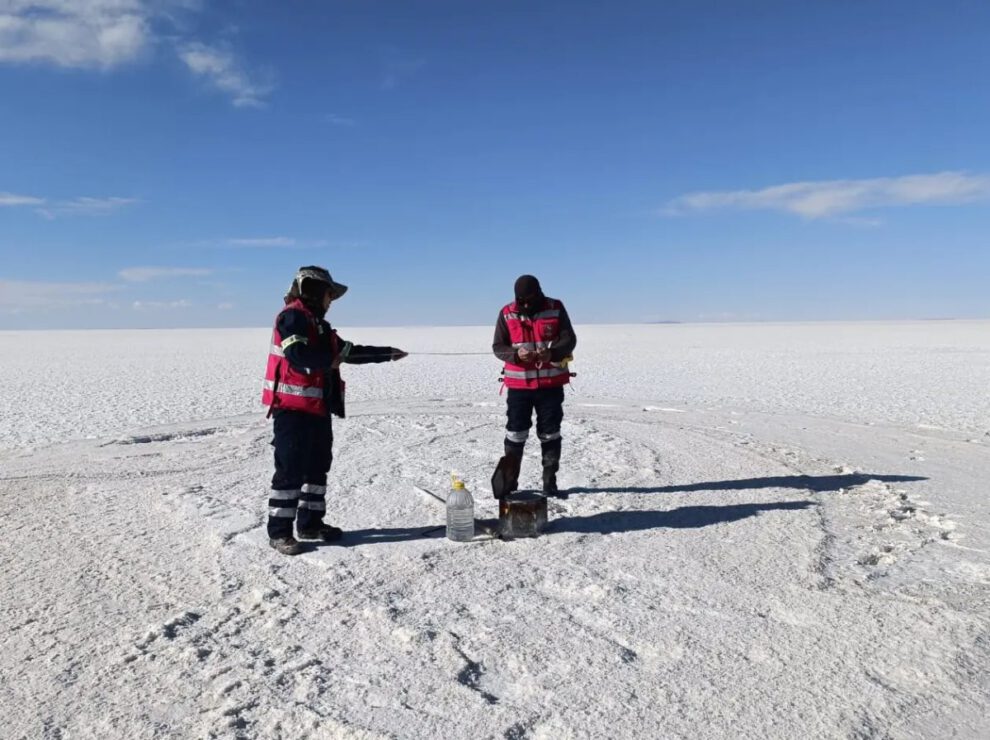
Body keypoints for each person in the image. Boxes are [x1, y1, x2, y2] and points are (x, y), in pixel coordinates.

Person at [261, 266, 407, 555]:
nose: (331, 301)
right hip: (291, 410)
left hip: (317, 409)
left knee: (317, 468)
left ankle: (311, 524)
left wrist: (387, 353)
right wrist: (328, 361)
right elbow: (297, 354)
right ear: (314, 290)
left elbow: (348, 352)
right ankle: (279, 533)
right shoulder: (292, 317)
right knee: (290, 471)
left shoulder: (320, 327)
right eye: (329, 294)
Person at [491, 274, 576, 499]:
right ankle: (510, 482)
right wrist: (516, 354)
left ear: (539, 293)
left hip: (550, 385)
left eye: (530, 299)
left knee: (550, 434)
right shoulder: (507, 313)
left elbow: (569, 339)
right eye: (522, 300)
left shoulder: (555, 308)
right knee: (516, 434)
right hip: (519, 387)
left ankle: (550, 482)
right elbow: (498, 347)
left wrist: (552, 352)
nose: (526, 304)